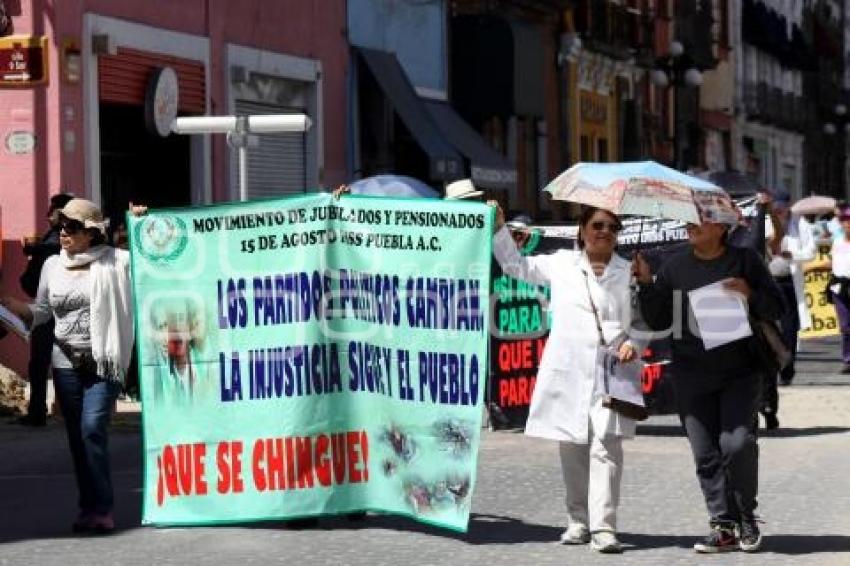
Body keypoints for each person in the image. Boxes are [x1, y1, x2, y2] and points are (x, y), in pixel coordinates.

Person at [490, 201, 646, 554]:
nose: (604, 232)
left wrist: (634, 343)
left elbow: (642, 319)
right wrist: (500, 229)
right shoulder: (561, 263)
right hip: (569, 369)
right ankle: (578, 520)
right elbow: (516, 266)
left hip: (612, 373)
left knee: (607, 445)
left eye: (611, 227)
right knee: (572, 445)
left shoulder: (629, 270)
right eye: (598, 226)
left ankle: (604, 527)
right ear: (582, 231)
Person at [634, 202, 785, 554]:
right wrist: (645, 284)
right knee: (705, 454)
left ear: (721, 228)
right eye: (689, 220)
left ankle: (746, 516)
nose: (692, 225)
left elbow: (777, 307)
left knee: (736, 444)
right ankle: (724, 526)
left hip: (741, 372)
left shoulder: (745, 261)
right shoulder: (674, 266)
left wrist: (750, 294)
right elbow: (657, 321)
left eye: (701, 220)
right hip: (691, 374)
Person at [1, 198, 135, 534]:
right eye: (62, 225)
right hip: (65, 365)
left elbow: (158, 260)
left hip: (104, 360)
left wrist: (139, 224)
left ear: (91, 233)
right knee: (77, 438)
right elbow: (44, 310)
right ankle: (88, 507)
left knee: (92, 429)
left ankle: (103, 508)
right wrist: (21, 309)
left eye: (72, 227)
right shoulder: (52, 265)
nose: (63, 232)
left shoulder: (117, 262)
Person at [15, 192, 75, 426]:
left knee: (52, 361)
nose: (47, 215)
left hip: (55, 309)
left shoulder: (65, 236)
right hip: (44, 308)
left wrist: (32, 249)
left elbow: (53, 249)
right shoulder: (52, 235)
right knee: (38, 362)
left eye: (52, 211)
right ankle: (37, 410)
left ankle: (49, 410)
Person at [825, 207, 850, 373]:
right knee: (846, 325)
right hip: (839, 287)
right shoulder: (837, 241)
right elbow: (831, 261)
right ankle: (848, 359)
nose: (847, 224)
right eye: (845, 221)